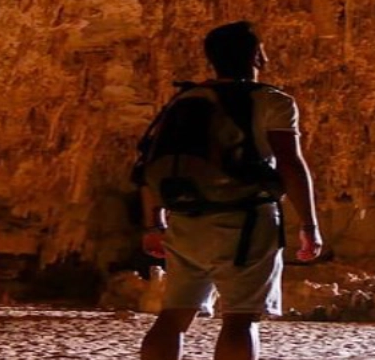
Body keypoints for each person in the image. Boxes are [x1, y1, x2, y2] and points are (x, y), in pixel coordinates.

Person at [135, 21, 323, 360]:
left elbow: (151, 166)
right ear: (258, 55)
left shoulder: (184, 100)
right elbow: (290, 164)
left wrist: (154, 223)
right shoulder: (272, 101)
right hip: (246, 222)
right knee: (240, 320)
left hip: (187, 220)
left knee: (173, 316)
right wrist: (309, 226)